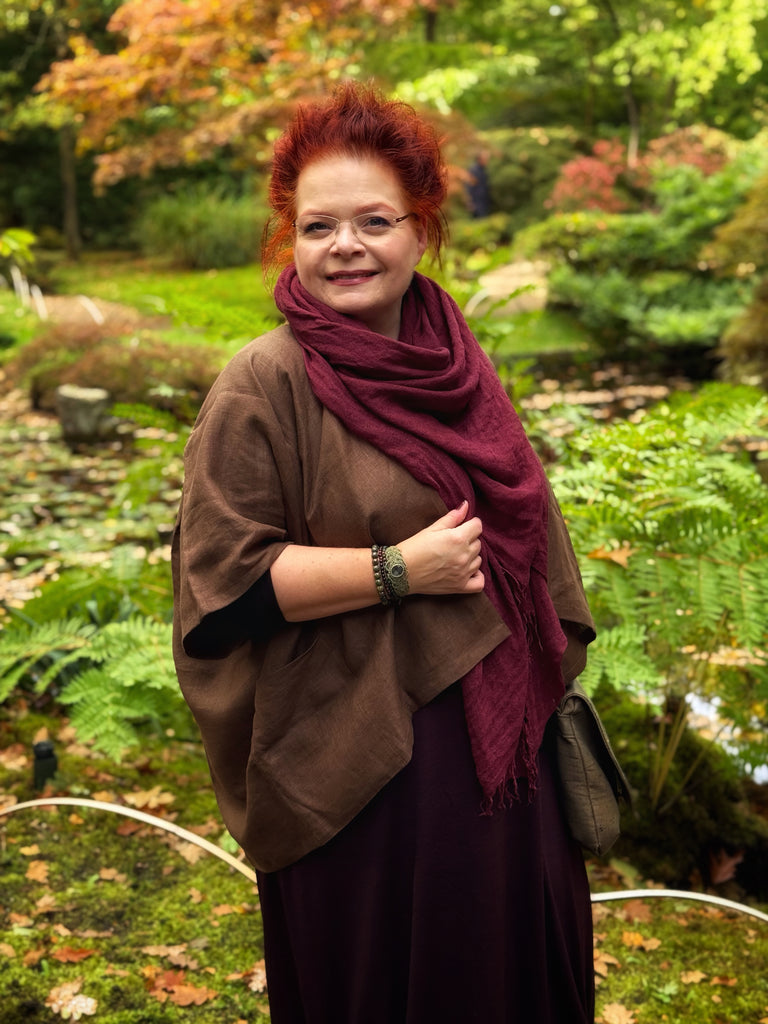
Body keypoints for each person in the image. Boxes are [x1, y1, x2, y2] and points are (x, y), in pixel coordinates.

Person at [172, 81, 596, 1024]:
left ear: (422, 228)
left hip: (498, 757)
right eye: (319, 226)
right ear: (291, 237)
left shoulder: (456, 359)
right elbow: (224, 593)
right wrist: (398, 570)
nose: (347, 246)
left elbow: (528, 529)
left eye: (374, 220)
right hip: (362, 764)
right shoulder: (265, 382)